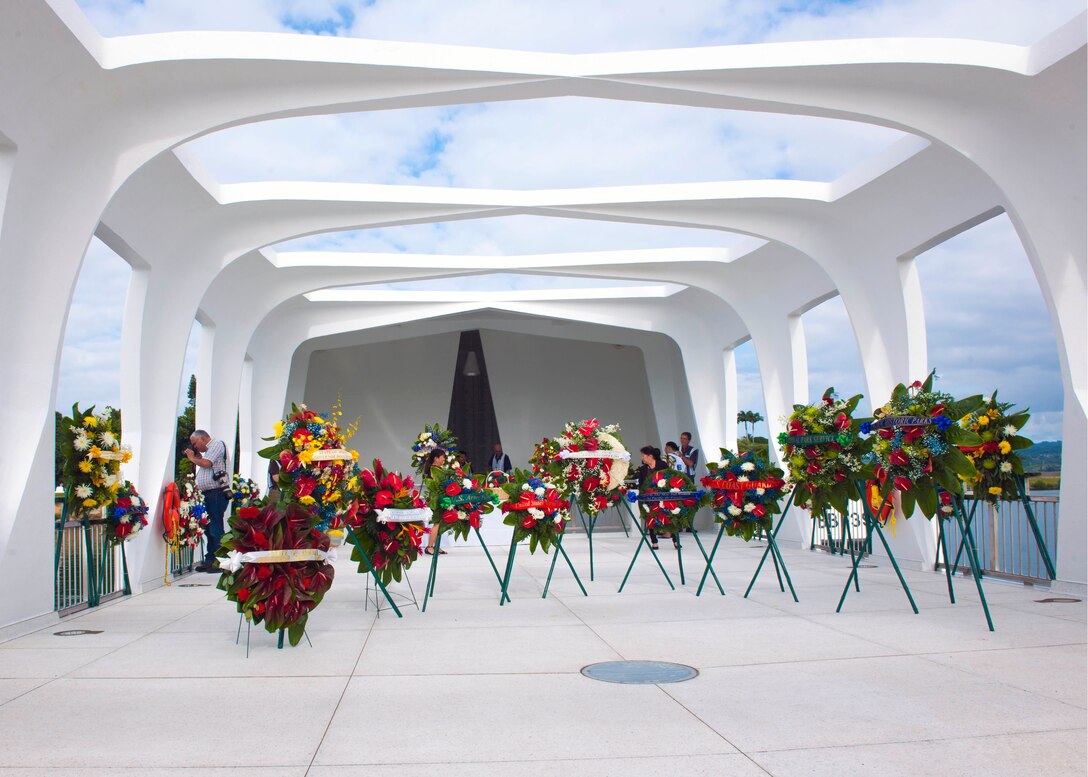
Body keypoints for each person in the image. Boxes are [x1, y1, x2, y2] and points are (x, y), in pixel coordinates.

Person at [185, 430, 230, 572]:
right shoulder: (208, 450)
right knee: (209, 529)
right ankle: (210, 559)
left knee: (215, 527)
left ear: (202, 439)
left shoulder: (216, 444)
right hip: (209, 495)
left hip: (216, 494)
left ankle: (219, 561)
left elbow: (206, 463)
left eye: (195, 444)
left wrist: (193, 458)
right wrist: (196, 458)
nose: (195, 447)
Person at [634, 445, 673, 550]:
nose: (642, 458)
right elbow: (641, 485)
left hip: (663, 495)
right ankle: (654, 541)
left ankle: (675, 540)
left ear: (650, 456)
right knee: (650, 518)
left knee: (669, 517)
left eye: (643, 456)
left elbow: (669, 478)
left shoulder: (662, 465)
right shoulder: (643, 469)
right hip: (650, 498)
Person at [421, 448, 448, 555]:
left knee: (439, 523)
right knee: (437, 523)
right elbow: (438, 485)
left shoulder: (437, 468)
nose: (444, 460)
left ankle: (436, 546)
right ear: (436, 458)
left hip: (439, 498)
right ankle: (429, 547)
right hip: (436, 500)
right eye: (442, 457)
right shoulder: (434, 469)